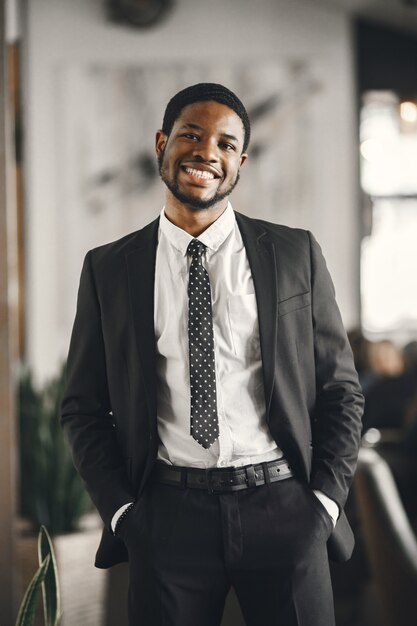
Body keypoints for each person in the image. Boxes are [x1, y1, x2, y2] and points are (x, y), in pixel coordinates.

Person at [61, 83, 364, 626]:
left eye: (226, 144)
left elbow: (340, 390)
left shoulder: (295, 254)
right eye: (192, 136)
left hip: (284, 506)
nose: (207, 153)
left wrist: (324, 502)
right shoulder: (109, 268)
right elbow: (82, 406)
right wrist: (124, 513)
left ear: (240, 163)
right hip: (168, 517)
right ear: (162, 143)